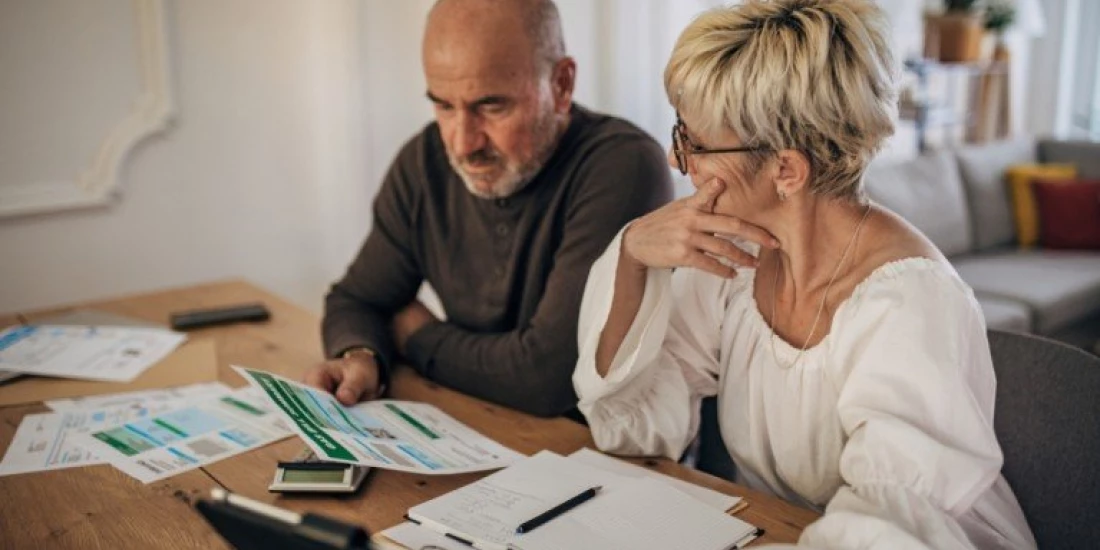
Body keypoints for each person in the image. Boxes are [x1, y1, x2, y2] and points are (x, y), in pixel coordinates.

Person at [573, 1, 1036, 548]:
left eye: (694, 144)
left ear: (786, 170)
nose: (680, 164)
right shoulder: (736, 259)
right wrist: (631, 256)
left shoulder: (910, 302)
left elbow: (893, 525)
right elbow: (634, 427)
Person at [305, 0, 672, 417]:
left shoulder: (622, 166)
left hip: (608, 458)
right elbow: (357, 299)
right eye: (444, 105)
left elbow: (550, 379)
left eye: (492, 106)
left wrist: (416, 336)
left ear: (562, 85)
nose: (462, 144)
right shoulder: (424, 161)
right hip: (478, 430)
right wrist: (360, 354)